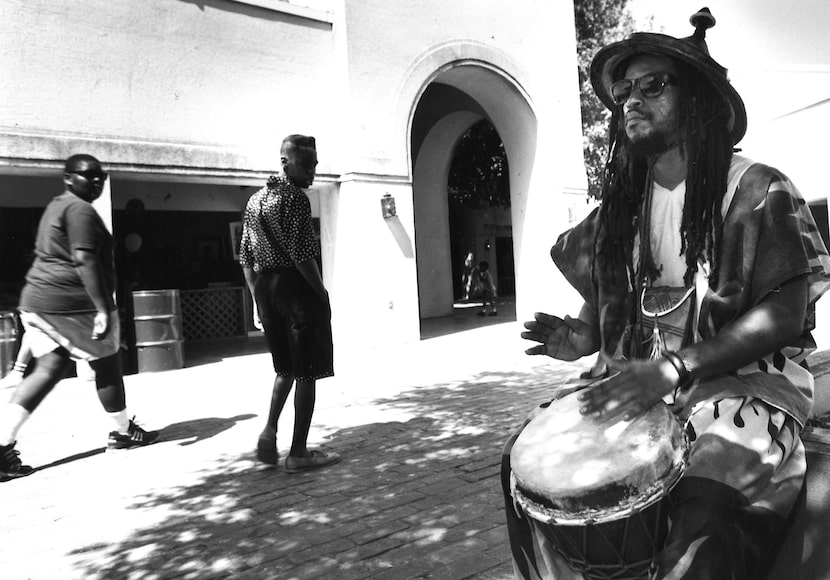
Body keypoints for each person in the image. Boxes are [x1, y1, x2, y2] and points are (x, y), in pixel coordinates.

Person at [504, 8, 830, 579]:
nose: (631, 100)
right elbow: (605, 310)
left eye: (653, 85)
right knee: (523, 467)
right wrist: (580, 338)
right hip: (646, 381)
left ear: (699, 98)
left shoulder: (756, 188)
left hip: (746, 387)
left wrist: (675, 369)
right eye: (624, 90)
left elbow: (784, 315)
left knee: (704, 515)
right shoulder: (621, 212)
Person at [0, 154, 159, 481]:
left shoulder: (58, 205)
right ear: (68, 178)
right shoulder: (80, 210)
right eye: (88, 176)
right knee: (109, 366)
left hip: (38, 301)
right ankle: (120, 433)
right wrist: (103, 308)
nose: (97, 181)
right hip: (73, 306)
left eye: (100, 176)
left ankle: (2, 446)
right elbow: (85, 259)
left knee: (49, 369)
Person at [240, 134, 340, 473]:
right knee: (306, 372)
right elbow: (302, 255)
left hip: (268, 289)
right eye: (306, 164)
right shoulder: (295, 199)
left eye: (314, 164)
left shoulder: (254, 201)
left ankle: (270, 429)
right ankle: (298, 452)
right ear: (285, 162)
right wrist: (321, 293)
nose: (312, 171)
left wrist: (256, 300)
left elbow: (246, 258)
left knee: (284, 369)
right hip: (295, 290)